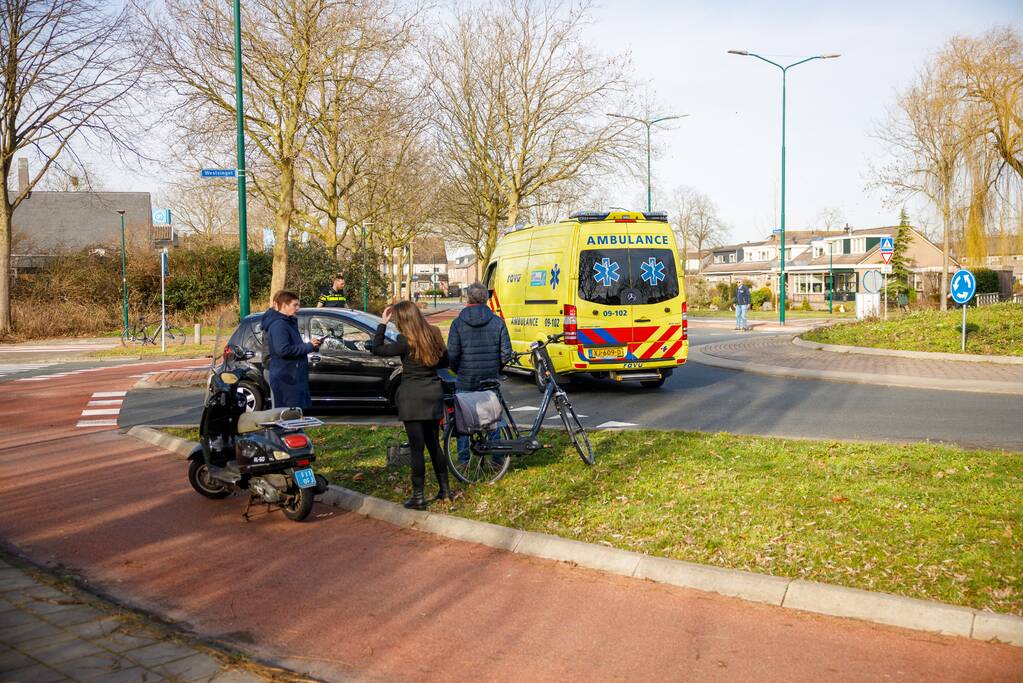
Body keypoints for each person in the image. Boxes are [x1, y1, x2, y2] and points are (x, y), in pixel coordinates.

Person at [371, 301, 451, 509]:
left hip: (412, 397)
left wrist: (382, 323)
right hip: (433, 393)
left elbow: (378, 349)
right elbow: (445, 361)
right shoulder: (433, 333)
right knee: (434, 444)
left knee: (417, 449)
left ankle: (419, 497)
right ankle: (445, 491)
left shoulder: (404, 340)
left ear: (402, 319)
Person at [448, 282, 513, 464]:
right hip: (490, 380)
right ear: (486, 299)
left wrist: (459, 370)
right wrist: (496, 369)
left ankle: (463, 460)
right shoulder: (497, 322)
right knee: (493, 419)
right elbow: (506, 353)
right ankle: (497, 459)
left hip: (466, 380)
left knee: (462, 422)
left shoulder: (458, 323)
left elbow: (452, 354)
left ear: (468, 298)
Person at [261, 291, 321, 409]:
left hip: (291, 374)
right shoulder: (279, 324)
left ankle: (296, 428)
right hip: (286, 376)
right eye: (295, 305)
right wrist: (308, 346)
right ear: (284, 305)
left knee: (295, 414)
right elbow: (283, 349)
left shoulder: (288, 321)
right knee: (287, 415)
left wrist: (311, 345)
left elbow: (293, 345)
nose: (298, 308)